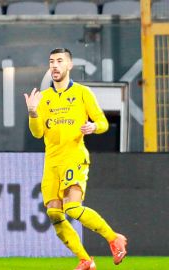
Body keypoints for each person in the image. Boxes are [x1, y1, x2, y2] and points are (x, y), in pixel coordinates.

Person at [24, 48, 127, 270]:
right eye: (51, 61)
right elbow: (37, 133)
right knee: (54, 213)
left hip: (74, 157)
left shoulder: (82, 93)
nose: (54, 65)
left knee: (72, 208)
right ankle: (85, 260)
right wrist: (33, 112)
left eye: (59, 61)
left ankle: (113, 238)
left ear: (69, 65)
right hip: (52, 162)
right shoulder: (44, 98)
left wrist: (93, 126)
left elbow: (103, 123)